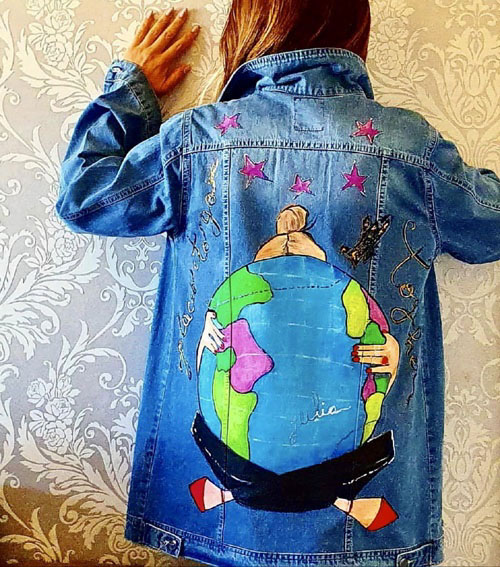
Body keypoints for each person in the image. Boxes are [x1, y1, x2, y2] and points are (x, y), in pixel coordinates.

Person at [55, 2, 500, 566]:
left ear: (248, 26)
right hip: (360, 533)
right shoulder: (409, 149)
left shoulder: (200, 140)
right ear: (356, 29)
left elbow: (84, 196)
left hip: (216, 520)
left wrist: (130, 91)